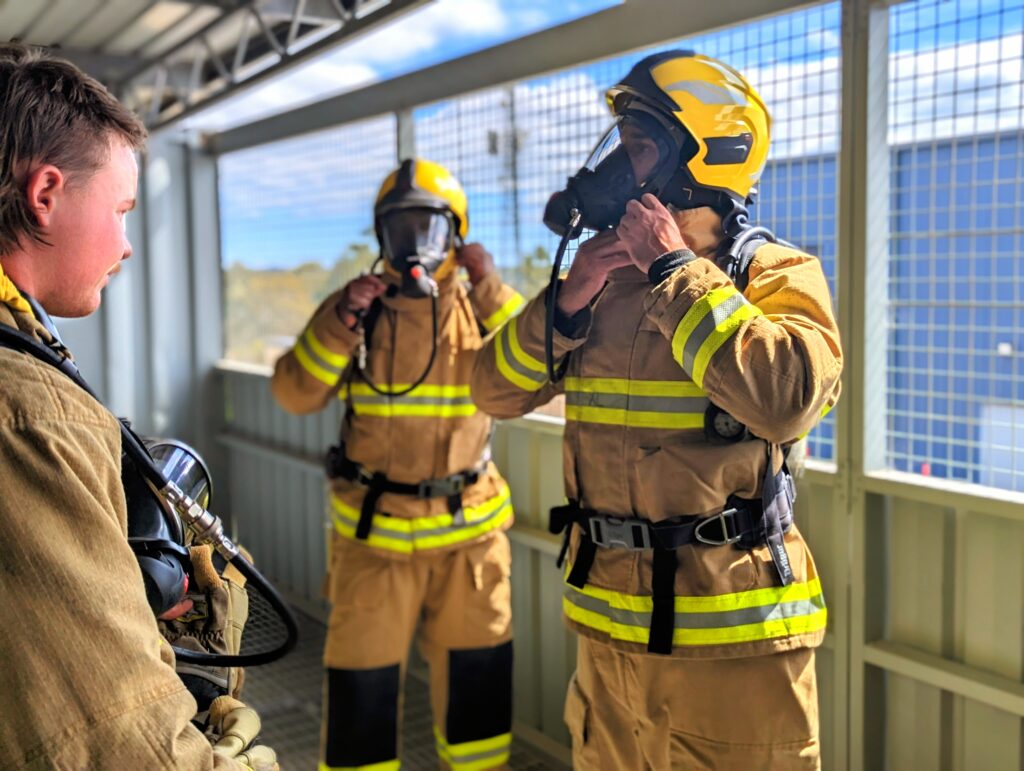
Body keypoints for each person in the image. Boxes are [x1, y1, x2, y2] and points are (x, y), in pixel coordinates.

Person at [472, 50, 843, 769]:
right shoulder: (600, 282)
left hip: (735, 651)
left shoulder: (775, 274)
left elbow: (789, 398)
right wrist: (570, 298)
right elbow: (493, 390)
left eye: (640, 146)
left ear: (701, 157)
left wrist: (675, 271)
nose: (617, 165)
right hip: (608, 639)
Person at [0, 43, 275, 769]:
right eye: (121, 209)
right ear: (46, 193)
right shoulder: (28, 414)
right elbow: (127, 747)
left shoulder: (27, 355)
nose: (126, 245)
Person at [271, 158, 525, 771]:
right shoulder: (358, 307)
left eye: (430, 225)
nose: (416, 242)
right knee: (362, 704)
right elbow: (295, 393)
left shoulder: (481, 307)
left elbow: (540, 372)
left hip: (471, 546)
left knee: (478, 711)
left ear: (455, 234)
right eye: (401, 226)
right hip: (373, 544)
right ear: (382, 235)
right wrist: (341, 319)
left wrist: (488, 283)